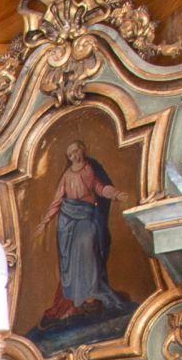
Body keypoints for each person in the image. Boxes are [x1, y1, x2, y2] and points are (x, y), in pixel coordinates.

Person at [40, 139, 132, 329]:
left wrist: (116, 194)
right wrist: (45, 221)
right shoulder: (67, 175)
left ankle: (91, 295)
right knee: (73, 260)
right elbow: (57, 200)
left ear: (82, 149)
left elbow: (100, 188)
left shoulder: (89, 169)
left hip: (86, 215)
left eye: (76, 151)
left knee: (88, 248)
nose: (74, 156)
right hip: (68, 220)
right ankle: (81, 300)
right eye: (70, 154)